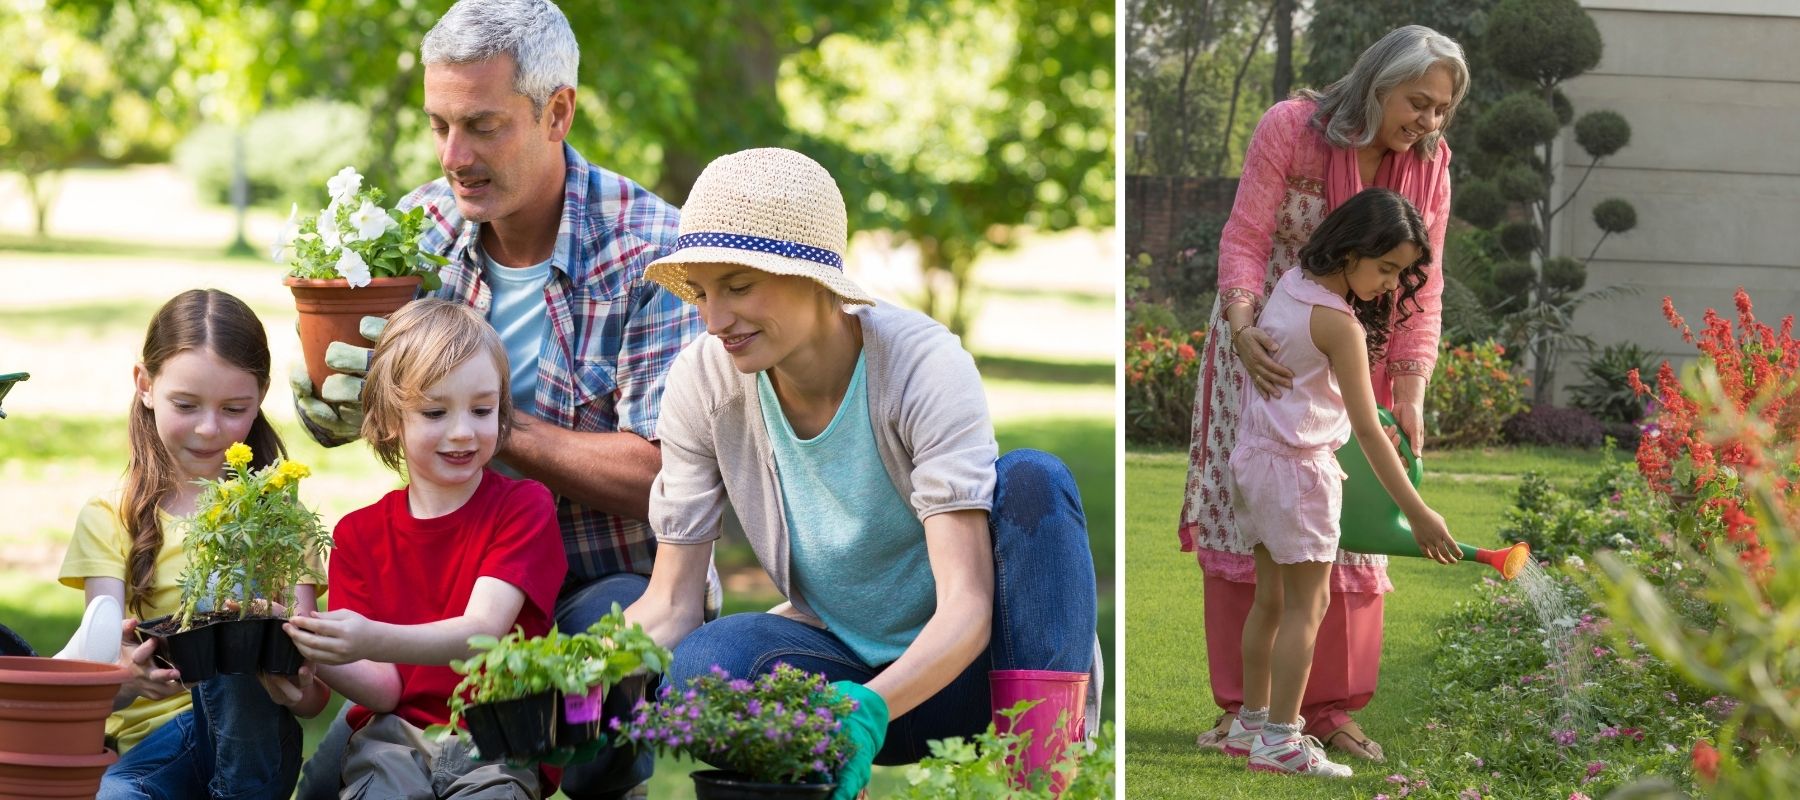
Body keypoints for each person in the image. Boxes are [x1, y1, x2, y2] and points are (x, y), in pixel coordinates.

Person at [289, 2, 703, 796]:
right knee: (331, 779)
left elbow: (667, 478)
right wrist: (339, 399)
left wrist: (491, 426)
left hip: (605, 576)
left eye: (481, 125)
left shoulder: (652, 253)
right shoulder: (420, 232)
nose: (454, 155)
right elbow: (382, 396)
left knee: (598, 681)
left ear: (558, 112)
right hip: (455, 566)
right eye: (439, 124)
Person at [623, 148, 1101, 800]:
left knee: (1033, 479)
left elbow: (967, 607)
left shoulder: (922, 365)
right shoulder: (702, 381)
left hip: (972, 673)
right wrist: (585, 674)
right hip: (839, 664)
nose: (715, 319)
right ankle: (825, 781)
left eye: (737, 287)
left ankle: (1042, 779)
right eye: (702, 293)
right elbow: (674, 600)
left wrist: (868, 711)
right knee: (704, 667)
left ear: (816, 278)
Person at [1183, 24, 1469, 762]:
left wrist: (1410, 383)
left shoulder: (1431, 166)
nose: (1429, 121)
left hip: (1357, 352)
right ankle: (1251, 713)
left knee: (1350, 546)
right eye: (1419, 101)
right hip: (1267, 354)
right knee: (1254, 539)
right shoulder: (1293, 129)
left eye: (1443, 108)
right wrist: (1244, 328)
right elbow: (1246, 237)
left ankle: (1331, 710)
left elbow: (1422, 287)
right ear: (1377, 84)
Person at [263, 299, 568, 798]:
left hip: (499, 740)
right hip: (393, 740)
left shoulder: (523, 507)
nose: (463, 431)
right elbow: (384, 689)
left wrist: (367, 637)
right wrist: (304, 638)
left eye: (482, 409)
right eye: (434, 411)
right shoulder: (358, 536)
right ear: (388, 419)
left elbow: (482, 632)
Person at [1219, 188, 1457, 779]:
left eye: (1401, 272)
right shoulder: (1340, 325)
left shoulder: (1292, 284)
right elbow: (1370, 434)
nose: (1391, 283)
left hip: (1254, 459)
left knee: (1270, 599)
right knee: (1310, 603)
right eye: (1386, 267)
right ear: (1351, 251)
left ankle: (1248, 724)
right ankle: (1280, 739)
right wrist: (1420, 513)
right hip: (1300, 472)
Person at [57, 288, 312, 800]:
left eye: (234, 408)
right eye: (186, 404)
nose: (208, 428)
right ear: (145, 385)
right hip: (148, 751)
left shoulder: (282, 521)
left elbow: (309, 697)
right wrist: (126, 678)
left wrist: (290, 680)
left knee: (232, 619)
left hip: (253, 750)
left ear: (260, 397)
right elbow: (100, 669)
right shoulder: (112, 516)